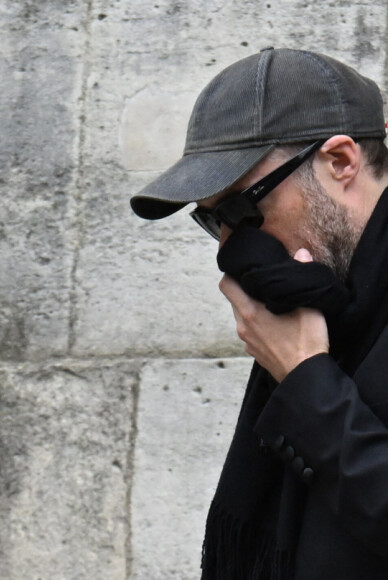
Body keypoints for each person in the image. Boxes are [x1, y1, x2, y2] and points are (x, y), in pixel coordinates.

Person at [130, 47, 388, 579]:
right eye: (212, 222)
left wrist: (307, 383)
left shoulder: (305, 341)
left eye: (243, 210)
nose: (232, 249)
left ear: (340, 161)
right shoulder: (322, 305)